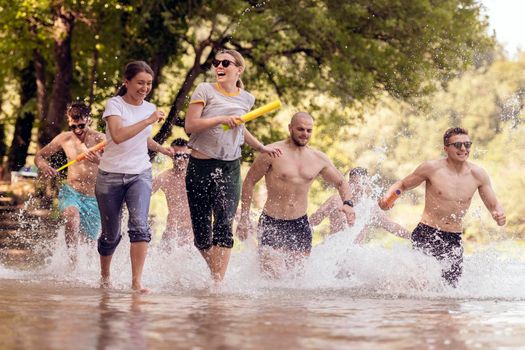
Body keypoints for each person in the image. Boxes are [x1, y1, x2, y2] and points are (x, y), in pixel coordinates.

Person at [184, 49, 281, 282]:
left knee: (225, 225)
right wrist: (219, 119)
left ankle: (218, 284)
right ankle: (217, 275)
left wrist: (260, 147)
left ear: (239, 69)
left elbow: (241, 128)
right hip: (200, 165)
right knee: (201, 235)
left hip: (229, 167)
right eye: (216, 62)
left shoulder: (247, 99)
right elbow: (190, 125)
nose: (219, 66)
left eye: (225, 62)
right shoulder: (204, 90)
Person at [378, 127, 506, 286]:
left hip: (454, 238)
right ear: (446, 148)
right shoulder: (432, 168)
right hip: (427, 232)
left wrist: (498, 214)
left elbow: (494, 205)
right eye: (458, 145)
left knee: (450, 291)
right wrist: (388, 199)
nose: (464, 149)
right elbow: (403, 185)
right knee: (422, 286)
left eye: (467, 144)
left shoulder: (478, 174)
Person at [237, 112, 356, 278]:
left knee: (297, 282)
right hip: (272, 222)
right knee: (274, 279)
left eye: (309, 130)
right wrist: (244, 217)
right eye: (300, 129)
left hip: (300, 224)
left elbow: (342, 183)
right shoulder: (272, 152)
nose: (304, 134)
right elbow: (249, 182)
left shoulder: (318, 158)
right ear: (290, 128)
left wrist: (348, 204)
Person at [96, 61, 173, 292]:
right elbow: (119, 135)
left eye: (149, 83)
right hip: (109, 175)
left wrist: (159, 148)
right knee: (111, 235)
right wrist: (149, 120)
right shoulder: (114, 105)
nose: (145, 87)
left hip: (139, 173)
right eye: (140, 82)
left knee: (140, 226)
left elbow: (143, 137)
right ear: (126, 81)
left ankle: (136, 281)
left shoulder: (149, 108)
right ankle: (105, 276)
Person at [35, 102, 105, 252]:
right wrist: (44, 166)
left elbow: (118, 165)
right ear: (69, 122)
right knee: (72, 217)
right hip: (71, 192)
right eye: (73, 126)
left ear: (88, 120)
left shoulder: (100, 139)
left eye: (81, 126)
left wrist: (99, 161)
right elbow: (39, 156)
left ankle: (83, 268)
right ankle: (72, 264)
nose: (78, 130)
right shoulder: (64, 138)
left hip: (94, 197)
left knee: (89, 244)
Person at [310, 167, 410, 243]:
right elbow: (313, 221)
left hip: (355, 255)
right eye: (355, 183)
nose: (359, 188)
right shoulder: (336, 201)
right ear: (349, 184)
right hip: (334, 250)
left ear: (367, 185)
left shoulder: (370, 207)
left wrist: (413, 237)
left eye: (363, 184)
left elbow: (391, 226)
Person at [152, 138, 193, 248]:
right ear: (171, 156)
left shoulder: (195, 178)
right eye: (177, 156)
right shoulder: (164, 177)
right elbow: (143, 196)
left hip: (191, 233)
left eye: (185, 156)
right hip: (171, 232)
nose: (181, 160)